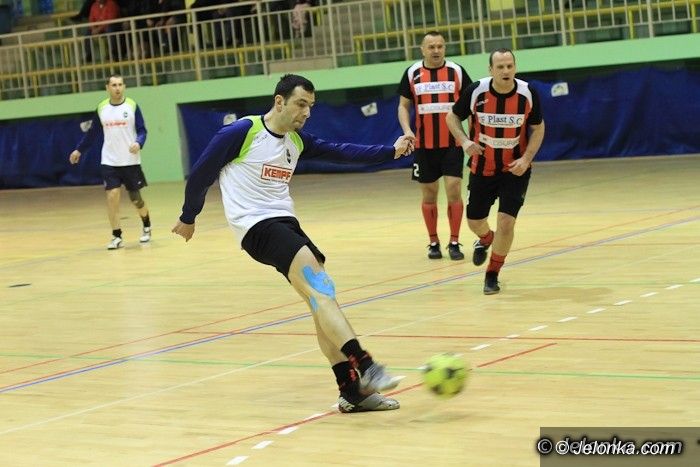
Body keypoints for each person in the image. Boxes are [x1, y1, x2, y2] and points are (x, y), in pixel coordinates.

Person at [172, 74, 413, 413]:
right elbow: (201, 173)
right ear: (279, 102)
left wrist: (390, 151)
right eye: (301, 104)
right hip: (257, 227)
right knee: (321, 289)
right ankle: (366, 364)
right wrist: (189, 216)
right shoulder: (242, 132)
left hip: (285, 224)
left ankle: (351, 392)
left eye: (310, 106)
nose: (306, 113)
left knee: (320, 300)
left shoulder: (296, 141)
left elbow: (342, 152)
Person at [445, 48, 545, 294]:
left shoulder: (527, 93)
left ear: (515, 67)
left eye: (509, 66)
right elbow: (451, 117)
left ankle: (492, 274)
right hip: (482, 168)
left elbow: (538, 128)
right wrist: (464, 141)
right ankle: (486, 238)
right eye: (500, 67)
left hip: (515, 169)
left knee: (506, 222)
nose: (505, 71)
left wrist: (526, 159)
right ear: (491, 70)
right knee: (474, 221)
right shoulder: (476, 91)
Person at [397, 31, 472, 261]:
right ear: (423, 49)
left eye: (440, 46)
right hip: (424, 147)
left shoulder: (457, 71)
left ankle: (454, 242)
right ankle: (433, 242)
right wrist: (407, 131)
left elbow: (472, 104)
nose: (436, 50)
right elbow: (403, 106)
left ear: (445, 48)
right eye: (431, 47)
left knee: (454, 190)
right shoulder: (412, 73)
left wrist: (469, 136)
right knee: (429, 194)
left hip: (452, 144)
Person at [69, 73, 152, 250]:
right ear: (107, 88)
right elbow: (92, 134)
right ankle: (116, 235)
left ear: (124, 87)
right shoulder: (102, 108)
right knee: (112, 196)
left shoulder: (132, 106)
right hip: (109, 161)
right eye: (114, 85)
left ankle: (146, 224)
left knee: (136, 199)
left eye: (120, 84)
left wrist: (138, 142)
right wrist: (78, 150)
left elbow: (142, 130)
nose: (117, 88)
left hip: (130, 161)